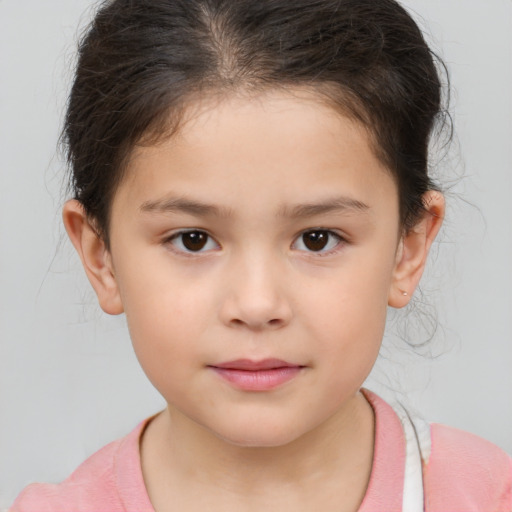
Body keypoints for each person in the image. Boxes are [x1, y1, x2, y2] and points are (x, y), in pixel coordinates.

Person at [10, 0, 511, 510]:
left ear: (409, 247)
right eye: (192, 239)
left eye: (318, 238)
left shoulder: (489, 496)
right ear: (102, 257)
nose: (256, 304)